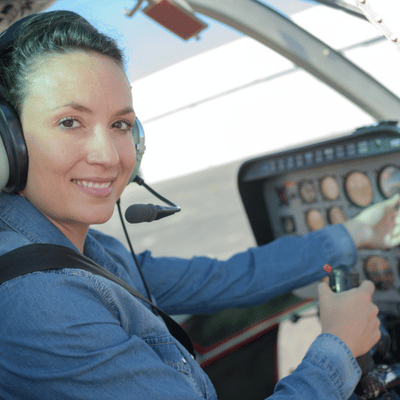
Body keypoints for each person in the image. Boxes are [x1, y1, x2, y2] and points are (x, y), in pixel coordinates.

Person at [0, 10, 399, 400]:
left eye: (120, 124)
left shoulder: (85, 249)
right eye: (70, 122)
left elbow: (220, 278)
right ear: (7, 144)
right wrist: (338, 348)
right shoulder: (39, 301)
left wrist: (355, 232)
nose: (108, 156)